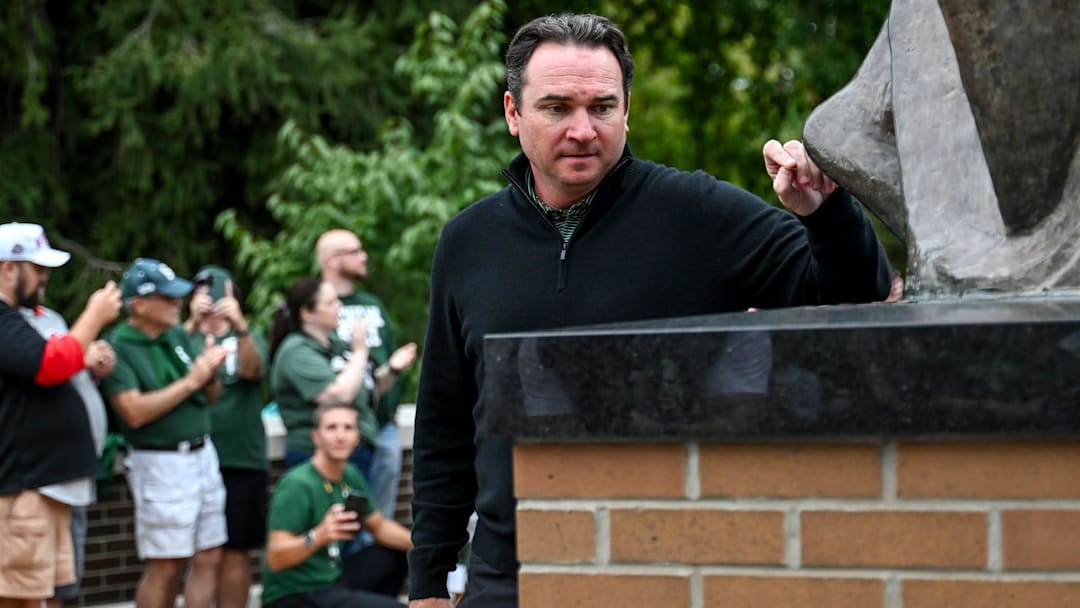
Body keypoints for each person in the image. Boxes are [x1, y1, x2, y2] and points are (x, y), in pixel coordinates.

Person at [408, 13, 894, 607]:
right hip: (510, 577)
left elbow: (854, 294)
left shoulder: (698, 214)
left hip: (667, 568)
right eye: (557, 107)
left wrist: (825, 212)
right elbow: (444, 422)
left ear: (627, 109)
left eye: (602, 107)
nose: (583, 130)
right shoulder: (468, 242)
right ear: (513, 113)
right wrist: (429, 582)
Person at [0, 222, 120, 608]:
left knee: (45, 598)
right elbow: (49, 364)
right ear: (7, 268)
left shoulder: (21, 317)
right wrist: (94, 315)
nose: (45, 278)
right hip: (22, 490)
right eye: (37, 268)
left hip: (45, 487)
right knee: (18, 598)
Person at [102, 258, 229, 608]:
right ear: (139, 305)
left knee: (209, 555)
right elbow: (134, 412)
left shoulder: (176, 335)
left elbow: (209, 397)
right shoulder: (118, 347)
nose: (178, 304)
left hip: (203, 454)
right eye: (168, 298)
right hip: (161, 462)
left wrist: (210, 373)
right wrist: (192, 380)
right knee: (166, 565)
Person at [262, 402, 412, 608]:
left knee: (391, 554)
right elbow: (275, 557)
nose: (340, 436)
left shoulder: (349, 474)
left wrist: (425, 545)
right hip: (296, 594)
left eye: (348, 428)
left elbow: (379, 526)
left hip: (332, 579)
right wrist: (319, 535)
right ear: (316, 436)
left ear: (357, 437)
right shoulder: (297, 484)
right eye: (332, 428)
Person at [316, 229, 418, 519]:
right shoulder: (314, 308)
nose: (365, 257)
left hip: (383, 426)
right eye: (356, 251)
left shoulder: (372, 304)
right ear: (333, 260)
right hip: (342, 430)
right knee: (343, 519)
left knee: (379, 520)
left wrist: (394, 368)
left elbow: (379, 367)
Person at [185, 265, 268, 608]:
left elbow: (254, 371)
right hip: (192, 459)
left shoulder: (249, 335)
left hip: (241, 457)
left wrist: (239, 324)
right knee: (200, 555)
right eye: (204, 291)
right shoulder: (182, 335)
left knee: (236, 552)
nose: (213, 299)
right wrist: (191, 323)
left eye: (220, 292)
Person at [269, 276, 378, 477]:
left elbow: (363, 388)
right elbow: (338, 396)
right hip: (315, 455)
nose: (339, 306)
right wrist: (360, 351)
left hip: (354, 449)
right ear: (307, 313)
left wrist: (393, 370)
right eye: (331, 302)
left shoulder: (334, 344)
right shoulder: (296, 352)